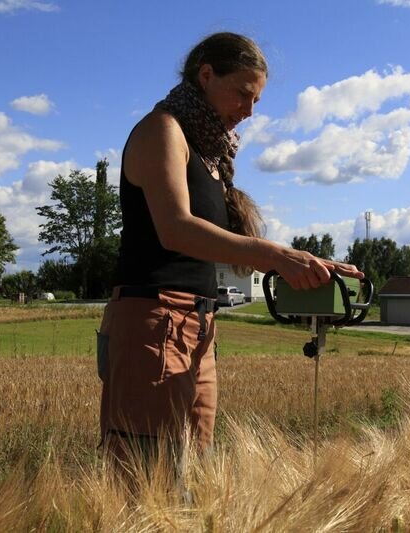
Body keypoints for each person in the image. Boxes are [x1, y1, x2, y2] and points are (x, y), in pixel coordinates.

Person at [97, 32, 363, 465]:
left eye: (256, 100)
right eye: (243, 93)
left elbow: (222, 244)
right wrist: (276, 255)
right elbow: (176, 229)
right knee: (148, 476)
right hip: (154, 323)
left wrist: (310, 264)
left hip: (198, 325)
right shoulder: (162, 131)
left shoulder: (208, 152)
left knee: (193, 474)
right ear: (206, 75)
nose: (250, 110)